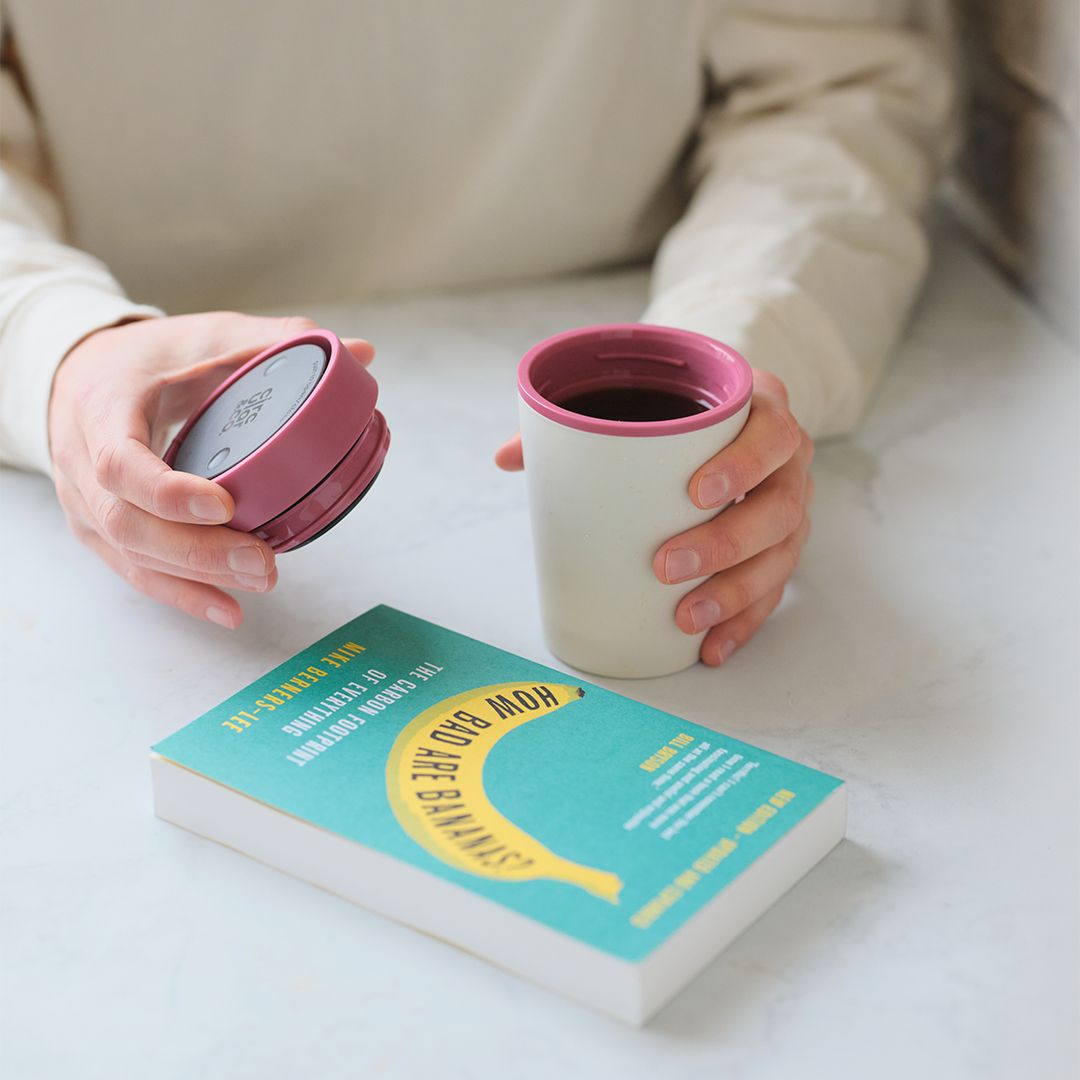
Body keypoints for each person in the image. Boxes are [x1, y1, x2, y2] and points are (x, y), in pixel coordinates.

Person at [0, 2, 955, 665]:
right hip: (151, 338)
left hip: (636, 287)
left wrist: (729, 351)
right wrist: (59, 342)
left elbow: (835, 92)